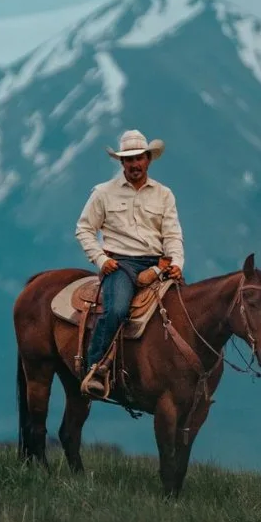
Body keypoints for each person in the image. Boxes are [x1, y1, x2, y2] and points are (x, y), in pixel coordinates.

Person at [74, 128, 185, 398]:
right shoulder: (103, 193)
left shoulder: (164, 195)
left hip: (157, 264)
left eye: (139, 158)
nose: (135, 164)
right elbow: (84, 229)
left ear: (148, 159)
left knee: (185, 311)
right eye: (129, 159)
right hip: (120, 263)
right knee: (117, 309)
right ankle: (96, 367)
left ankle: (179, 373)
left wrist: (175, 264)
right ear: (122, 162)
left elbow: (172, 235)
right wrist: (101, 259)